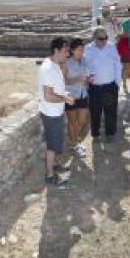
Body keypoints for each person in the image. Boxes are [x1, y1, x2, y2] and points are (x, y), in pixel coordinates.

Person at [37, 37, 75, 186]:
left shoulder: (55, 65)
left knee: (56, 142)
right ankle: (50, 175)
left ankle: (53, 166)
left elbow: (57, 87)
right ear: (56, 50)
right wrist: (65, 99)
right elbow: (48, 95)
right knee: (52, 146)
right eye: (66, 51)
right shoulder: (48, 68)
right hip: (51, 113)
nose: (68, 54)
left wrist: (64, 94)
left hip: (55, 111)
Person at [83, 27, 122, 143]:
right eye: (101, 38)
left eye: (106, 38)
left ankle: (110, 134)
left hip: (110, 86)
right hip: (94, 87)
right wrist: (88, 77)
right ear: (94, 38)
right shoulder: (88, 49)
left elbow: (118, 65)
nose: (104, 40)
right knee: (95, 111)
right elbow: (84, 66)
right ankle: (95, 134)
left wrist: (117, 83)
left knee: (110, 111)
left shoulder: (111, 47)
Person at [62, 38, 90, 158]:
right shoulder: (66, 63)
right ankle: (74, 144)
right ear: (72, 50)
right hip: (71, 96)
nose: (81, 52)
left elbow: (86, 75)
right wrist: (76, 79)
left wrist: (88, 80)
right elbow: (63, 81)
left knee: (82, 121)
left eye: (82, 50)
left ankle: (75, 141)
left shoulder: (84, 61)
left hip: (83, 94)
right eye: (79, 50)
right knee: (73, 122)